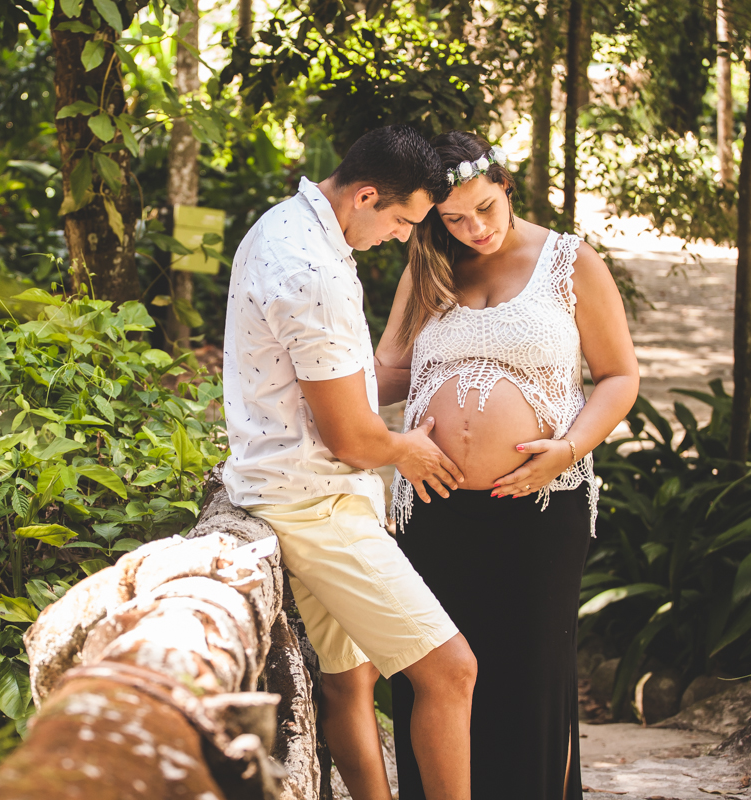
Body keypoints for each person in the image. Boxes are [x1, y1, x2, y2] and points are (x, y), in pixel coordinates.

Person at [375, 130, 639, 800]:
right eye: (454, 218)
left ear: (507, 187)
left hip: (540, 508)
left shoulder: (570, 262)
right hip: (430, 509)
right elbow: (385, 372)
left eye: (485, 208)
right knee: (432, 675)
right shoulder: (429, 264)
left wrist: (569, 450)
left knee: (527, 678)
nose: (474, 229)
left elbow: (618, 378)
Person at [223, 124, 476, 800]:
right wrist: (409, 450)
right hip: (316, 503)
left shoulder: (285, 225)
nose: (401, 236)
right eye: (400, 220)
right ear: (366, 194)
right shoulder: (312, 272)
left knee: (349, 678)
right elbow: (353, 441)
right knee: (452, 671)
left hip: (293, 487)